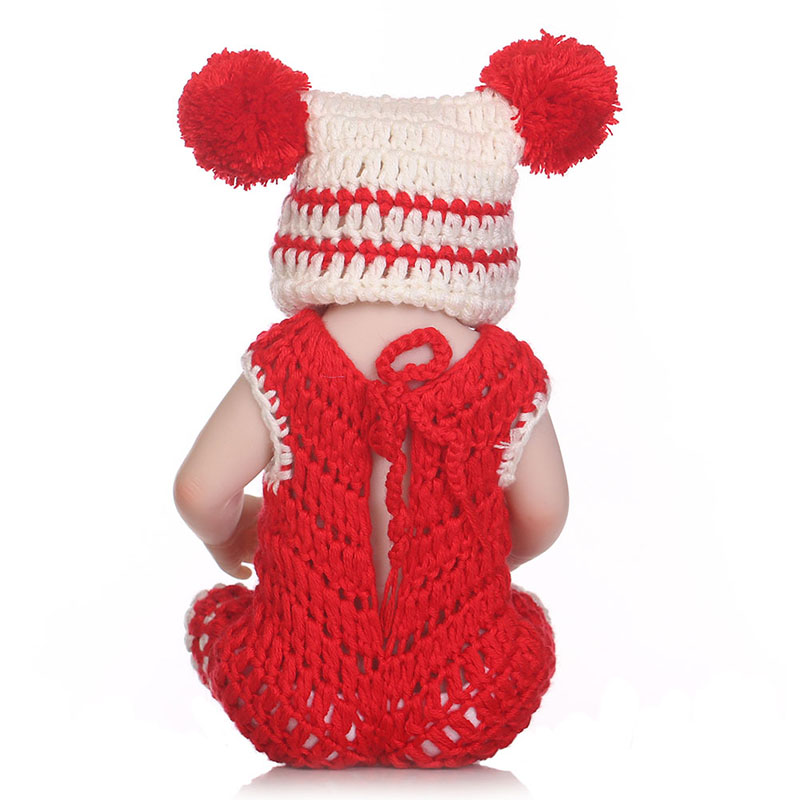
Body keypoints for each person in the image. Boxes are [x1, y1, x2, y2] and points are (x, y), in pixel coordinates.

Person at [173, 33, 618, 767]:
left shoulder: (289, 362)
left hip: (302, 703)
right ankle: (450, 696)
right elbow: (545, 514)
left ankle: (317, 708)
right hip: (463, 701)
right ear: (482, 233)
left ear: (313, 221)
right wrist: (480, 559)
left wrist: (233, 533)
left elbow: (198, 490)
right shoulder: (503, 373)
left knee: (219, 621)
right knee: (524, 627)